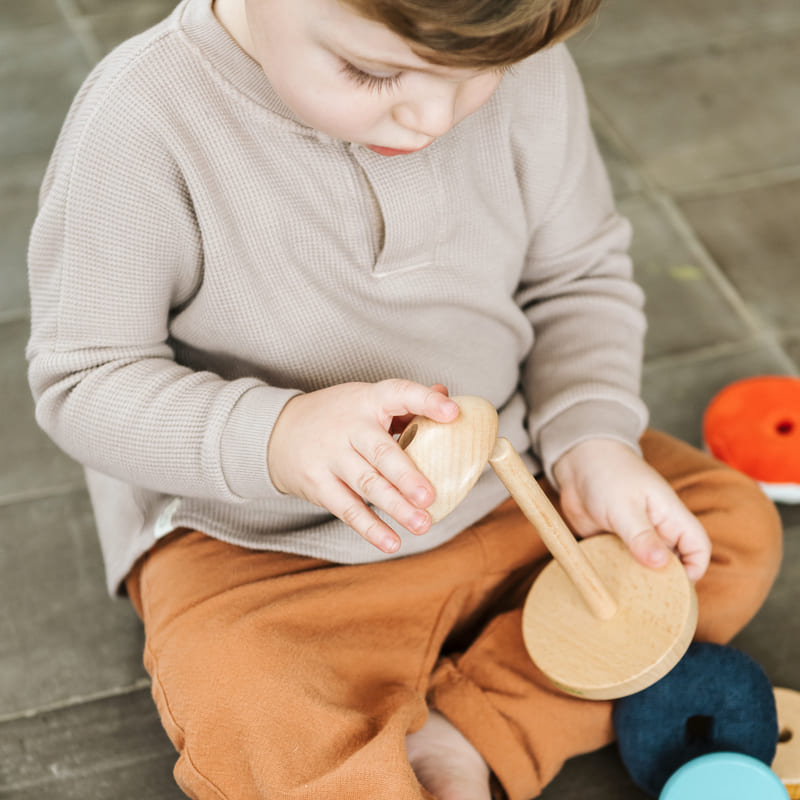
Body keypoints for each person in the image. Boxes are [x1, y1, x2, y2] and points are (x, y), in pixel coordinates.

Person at [26, 0, 783, 798]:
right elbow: (84, 378)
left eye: (478, 74)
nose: (431, 117)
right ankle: (452, 708)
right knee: (248, 706)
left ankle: (474, 730)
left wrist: (593, 441)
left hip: (517, 489)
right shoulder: (143, 121)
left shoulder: (521, 57)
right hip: (266, 549)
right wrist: (277, 436)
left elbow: (577, 279)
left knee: (724, 531)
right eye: (374, 72)